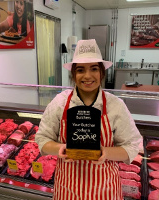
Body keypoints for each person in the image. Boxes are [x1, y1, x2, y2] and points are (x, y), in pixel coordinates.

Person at [35, 39, 142, 200]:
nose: (87, 76)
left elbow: (132, 145)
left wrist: (105, 152)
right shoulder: (60, 102)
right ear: (73, 74)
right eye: (80, 70)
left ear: (102, 73)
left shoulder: (115, 105)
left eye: (94, 69)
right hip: (67, 189)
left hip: (105, 190)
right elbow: (43, 139)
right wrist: (61, 148)